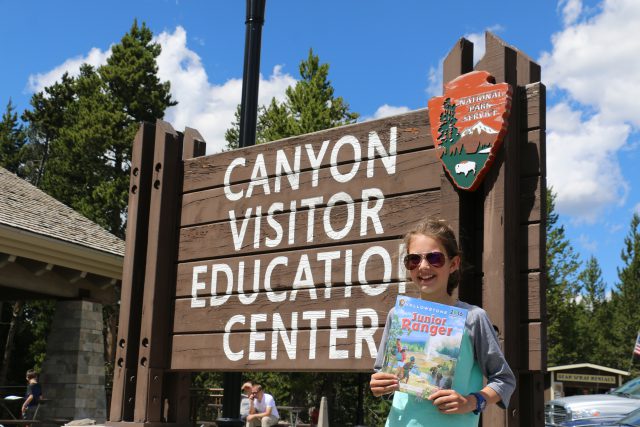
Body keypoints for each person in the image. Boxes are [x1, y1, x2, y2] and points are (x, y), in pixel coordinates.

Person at [369, 217, 516, 426]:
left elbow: (504, 380)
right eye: (414, 260)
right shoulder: (398, 314)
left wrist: (471, 402)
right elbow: (382, 375)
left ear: (453, 263)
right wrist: (379, 386)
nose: (423, 266)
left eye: (435, 258)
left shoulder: (473, 318)